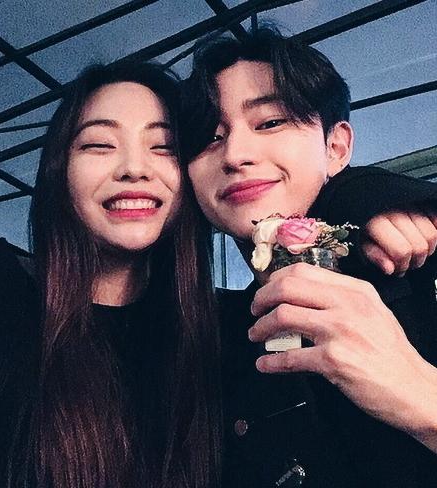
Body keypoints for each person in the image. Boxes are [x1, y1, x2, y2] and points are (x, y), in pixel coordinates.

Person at [181, 27, 437, 487]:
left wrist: (419, 394)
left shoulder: (417, 263)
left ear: (336, 148)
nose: (235, 154)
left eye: (269, 123)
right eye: (209, 137)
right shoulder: (214, 333)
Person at [0, 61, 222, 488]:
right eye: (99, 144)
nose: (134, 168)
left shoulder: (219, 333)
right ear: (59, 171)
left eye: (163, 147)